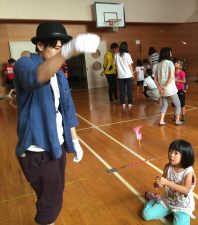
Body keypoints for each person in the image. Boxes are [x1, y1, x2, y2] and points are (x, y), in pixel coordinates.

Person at [13, 21, 100, 225]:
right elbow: (37, 77)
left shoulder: (60, 75)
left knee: (54, 194)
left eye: (62, 48)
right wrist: (68, 50)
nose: (60, 53)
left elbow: (67, 109)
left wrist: (75, 140)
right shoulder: (24, 64)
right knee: (50, 203)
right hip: (37, 149)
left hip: (57, 144)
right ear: (40, 45)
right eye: (56, 47)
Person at [142, 139, 196, 225]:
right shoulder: (168, 167)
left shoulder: (188, 172)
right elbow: (164, 184)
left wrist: (167, 182)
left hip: (182, 206)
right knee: (146, 215)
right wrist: (159, 184)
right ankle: (154, 199)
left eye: (176, 153)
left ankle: (161, 202)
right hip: (167, 201)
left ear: (185, 156)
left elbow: (186, 190)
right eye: (170, 151)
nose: (171, 155)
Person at [154, 47, 182, 126]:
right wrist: (165, 86)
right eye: (170, 52)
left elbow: (155, 79)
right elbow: (171, 77)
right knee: (177, 104)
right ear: (167, 53)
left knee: (164, 104)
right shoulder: (170, 63)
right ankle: (177, 120)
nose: (171, 54)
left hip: (161, 89)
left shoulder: (157, 64)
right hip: (170, 88)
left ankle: (161, 121)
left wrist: (159, 87)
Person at [114, 42, 134, 109]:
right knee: (129, 90)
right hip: (128, 75)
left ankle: (123, 103)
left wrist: (118, 73)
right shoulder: (127, 55)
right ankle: (130, 103)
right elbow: (130, 66)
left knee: (122, 90)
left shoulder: (116, 55)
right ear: (126, 47)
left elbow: (116, 66)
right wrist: (133, 74)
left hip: (120, 76)